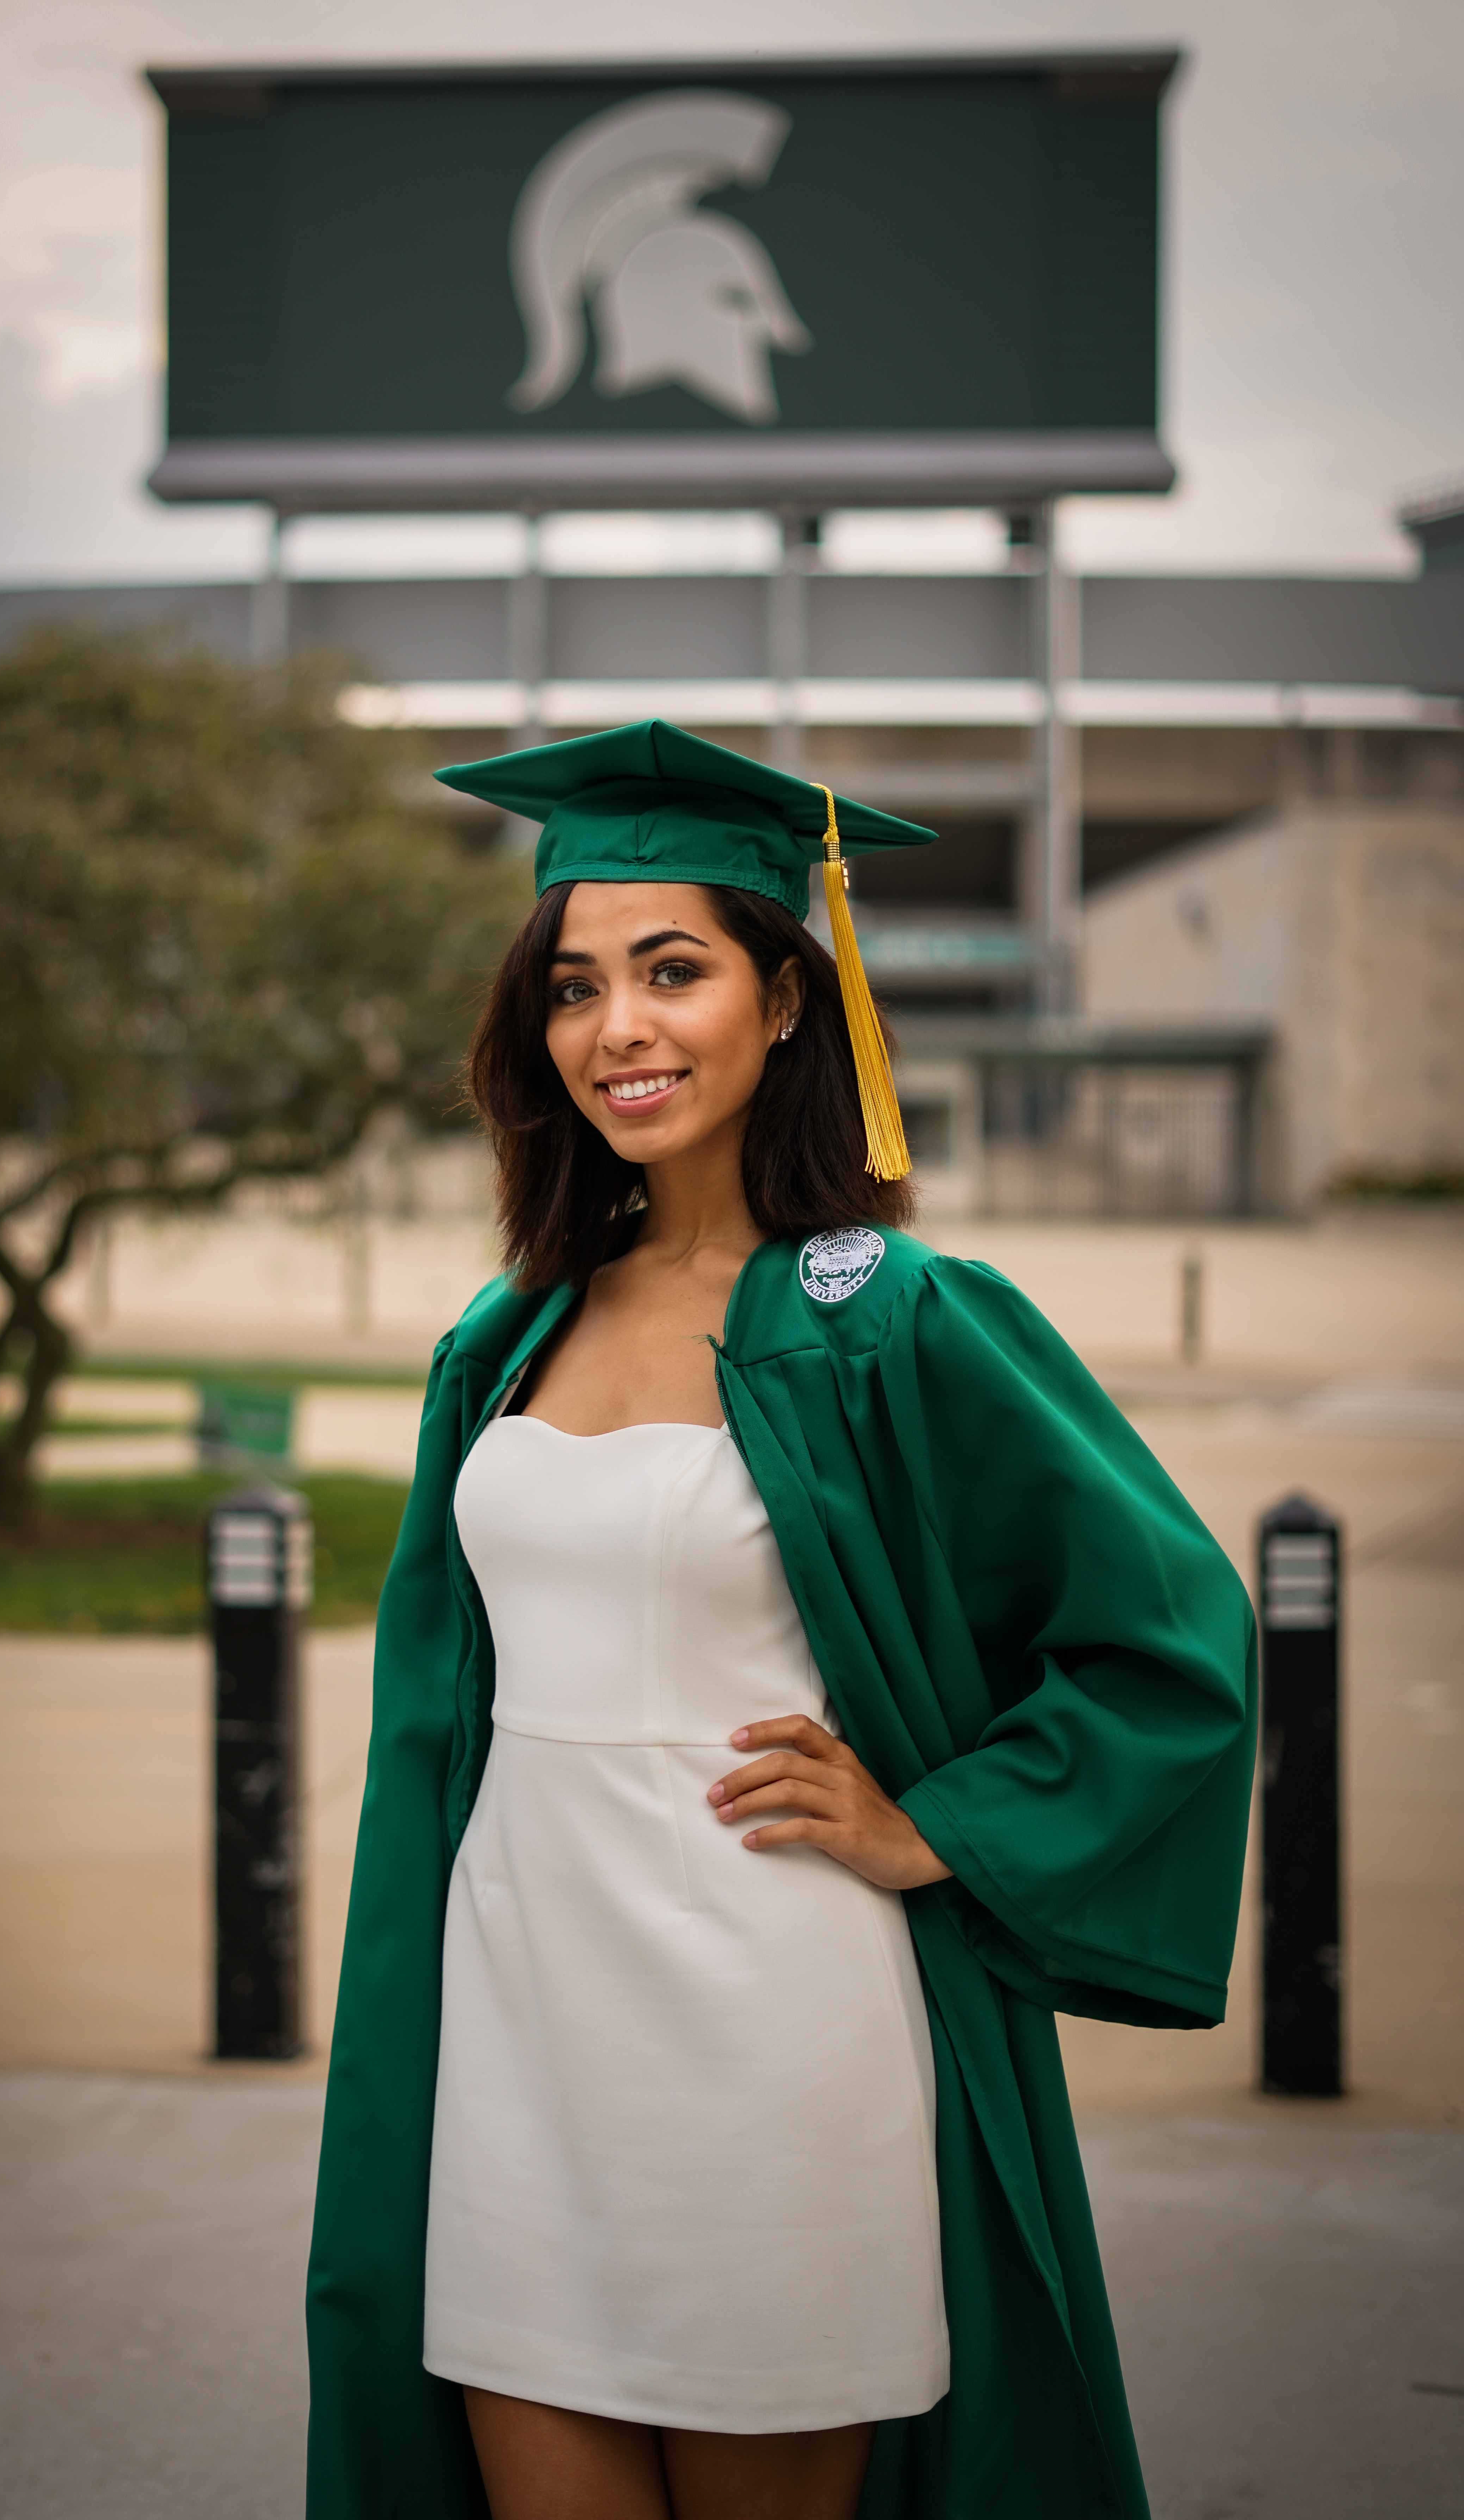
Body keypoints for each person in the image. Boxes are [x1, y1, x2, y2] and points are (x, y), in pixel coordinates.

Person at [305, 723, 1256, 2520]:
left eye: (676, 970)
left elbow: (1173, 1630)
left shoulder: (893, 1317)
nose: (621, 1028)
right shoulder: (505, 1337)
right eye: (578, 985)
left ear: (788, 1003)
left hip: (768, 2020)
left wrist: (935, 1826)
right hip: (517, 2017)